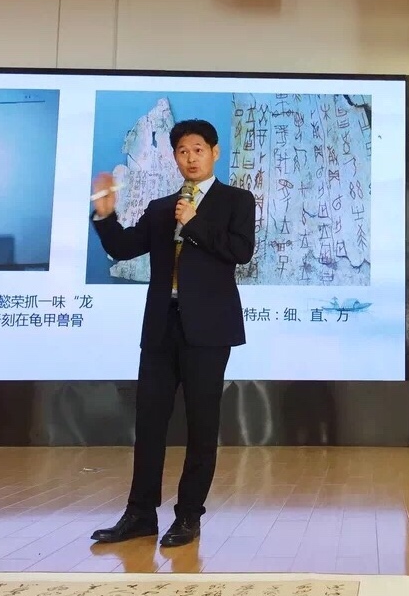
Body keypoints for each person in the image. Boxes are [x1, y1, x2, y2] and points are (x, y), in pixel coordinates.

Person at [89, 119, 256, 547]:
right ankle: (140, 514)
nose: (191, 158)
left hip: (209, 330)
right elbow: (124, 247)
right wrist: (104, 216)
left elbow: (240, 252)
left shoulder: (237, 200)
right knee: (149, 423)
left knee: (201, 425)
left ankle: (188, 516)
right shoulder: (162, 207)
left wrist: (195, 222)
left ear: (215, 152)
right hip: (162, 327)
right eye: (183, 151)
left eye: (198, 149)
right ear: (174, 157)